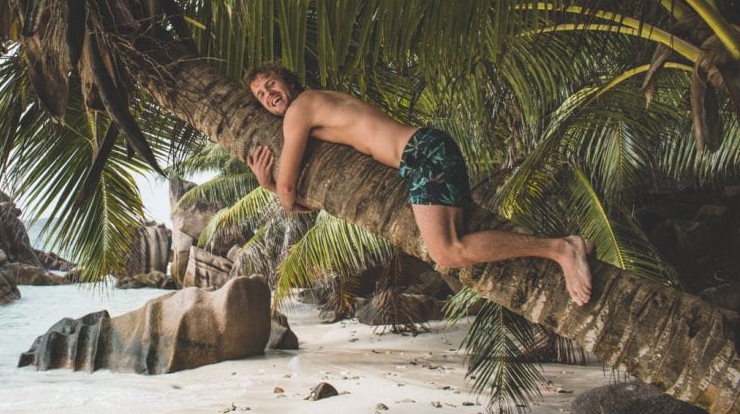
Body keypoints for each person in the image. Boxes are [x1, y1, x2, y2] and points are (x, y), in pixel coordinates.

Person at [243, 62, 595, 307]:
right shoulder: (318, 100)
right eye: (259, 94)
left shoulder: (299, 109)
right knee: (454, 247)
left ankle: (561, 249)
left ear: (287, 81)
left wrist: (266, 182)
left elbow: (288, 193)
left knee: (446, 251)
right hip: (427, 149)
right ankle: (560, 249)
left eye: (270, 83)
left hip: (420, 155)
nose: (267, 93)